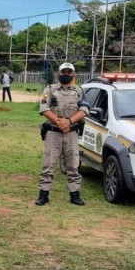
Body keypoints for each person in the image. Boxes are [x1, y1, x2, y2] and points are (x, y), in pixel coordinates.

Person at [35, 62, 89, 206]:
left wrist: (69, 122)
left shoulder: (79, 91)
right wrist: (60, 122)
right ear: (59, 74)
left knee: (73, 165)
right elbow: (44, 108)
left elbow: (84, 109)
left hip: (71, 133)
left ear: (73, 74)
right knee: (48, 164)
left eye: (69, 72)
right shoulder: (50, 90)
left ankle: (74, 195)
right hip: (53, 133)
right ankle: (43, 195)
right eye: (63, 72)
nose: (66, 74)